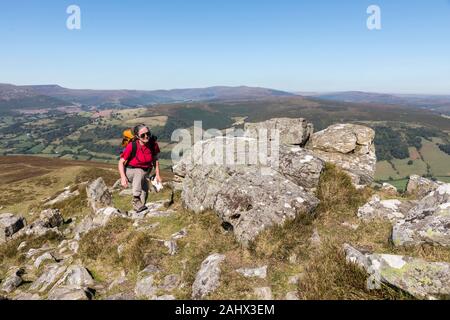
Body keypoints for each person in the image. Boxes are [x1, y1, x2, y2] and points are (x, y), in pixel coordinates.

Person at [118, 124, 162, 212]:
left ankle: (139, 210)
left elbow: (155, 160)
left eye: (148, 133)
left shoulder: (153, 145)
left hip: (145, 172)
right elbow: (121, 162)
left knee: (144, 191)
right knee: (139, 171)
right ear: (137, 136)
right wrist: (123, 177)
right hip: (130, 171)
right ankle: (135, 199)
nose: (146, 136)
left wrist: (157, 174)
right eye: (143, 135)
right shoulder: (132, 146)